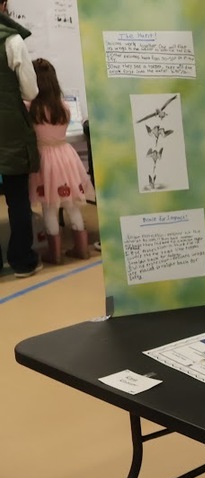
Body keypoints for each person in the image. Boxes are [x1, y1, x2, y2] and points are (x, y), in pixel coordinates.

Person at [26, 58, 93, 263]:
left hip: (44, 159)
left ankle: (54, 254)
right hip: (66, 156)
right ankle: (82, 248)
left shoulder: (29, 107)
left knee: (49, 206)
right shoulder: (64, 107)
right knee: (72, 204)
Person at [0, 0, 42, 277]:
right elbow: (31, 91)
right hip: (9, 129)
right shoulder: (12, 40)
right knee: (17, 199)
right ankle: (21, 260)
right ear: (4, 4)